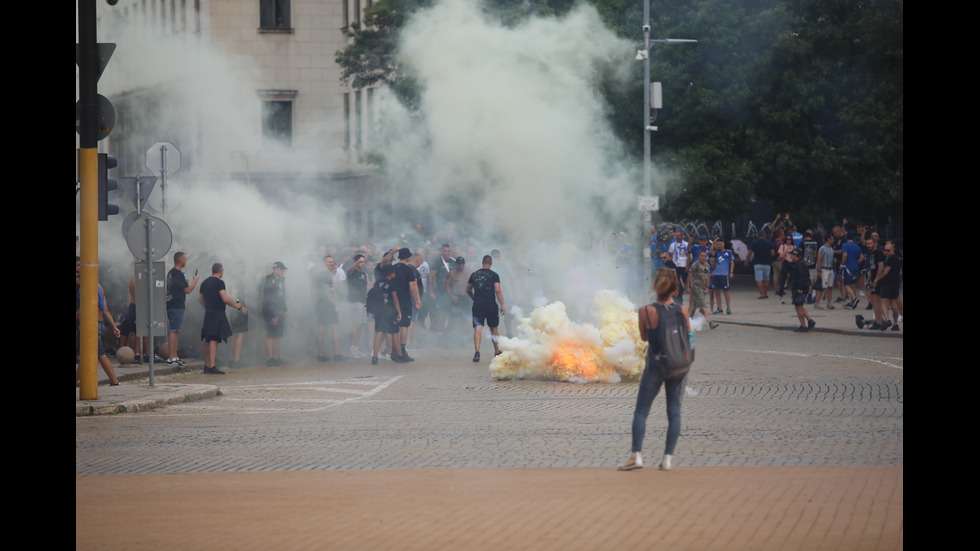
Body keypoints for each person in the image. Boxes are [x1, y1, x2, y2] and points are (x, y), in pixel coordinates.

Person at [618, 268, 691, 472]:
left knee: (641, 410)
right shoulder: (682, 310)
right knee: (674, 412)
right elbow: (689, 337)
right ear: (675, 289)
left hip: (656, 365)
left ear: (655, 287)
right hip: (678, 366)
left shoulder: (645, 311)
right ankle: (667, 459)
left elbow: (643, 337)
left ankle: (636, 456)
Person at [76, 257, 122, 386]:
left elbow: (88, 307)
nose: (78, 269)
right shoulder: (97, 285)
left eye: (80, 265)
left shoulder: (88, 285)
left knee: (100, 354)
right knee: (87, 355)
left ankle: (115, 381)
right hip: (98, 324)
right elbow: (105, 309)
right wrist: (114, 327)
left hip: (92, 325)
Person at [198, 263, 245, 374]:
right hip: (217, 312)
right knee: (214, 338)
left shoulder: (204, 282)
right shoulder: (219, 282)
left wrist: (208, 307)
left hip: (209, 312)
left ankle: (206, 365)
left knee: (207, 338)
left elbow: (200, 299)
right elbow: (224, 298)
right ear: (221, 271)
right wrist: (235, 305)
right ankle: (212, 366)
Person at [467, 255, 506, 362]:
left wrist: (473, 297)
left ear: (482, 262)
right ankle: (497, 352)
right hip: (490, 305)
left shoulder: (474, 274)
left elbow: (468, 289)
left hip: (478, 305)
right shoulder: (494, 275)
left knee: (478, 328)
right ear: (491, 263)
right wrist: (502, 304)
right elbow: (497, 290)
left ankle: (477, 352)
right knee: (494, 328)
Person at [165, 251, 199, 368]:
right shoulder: (177, 273)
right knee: (174, 331)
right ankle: (171, 358)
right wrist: (195, 280)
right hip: (176, 305)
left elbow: (178, 287)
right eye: (185, 259)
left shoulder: (171, 273)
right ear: (181, 261)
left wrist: (184, 283)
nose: (186, 261)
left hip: (172, 304)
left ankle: (175, 356)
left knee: (176, 331)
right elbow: (188, 290)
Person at [315, 255, 347, 362]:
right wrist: (335, 304)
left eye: (333, 261)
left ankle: (321, 354)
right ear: (324, 263)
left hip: (322, 305)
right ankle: (336, 354)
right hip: (327, 305)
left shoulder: (325, 274)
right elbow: (327, 291)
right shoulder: (324, 274)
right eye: (329, 262)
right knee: (333, 328)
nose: (332, 263)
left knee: (322, 329)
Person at [392, 248, 422, 362]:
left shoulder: (393, 268)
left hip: (393, 300)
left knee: (394, 326)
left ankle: (394, 351)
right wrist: (416, 301)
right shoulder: (408, 269)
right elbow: (412, 287)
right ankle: (402, 351)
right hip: (404, 301)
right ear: (408, 257)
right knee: (404, 326)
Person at [370, 264, 401, 365]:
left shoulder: (377, 282)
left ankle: (375, 356)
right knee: (393, 332)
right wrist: (399, 312)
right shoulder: (391, 284)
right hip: (389, 311)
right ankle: (398, 355)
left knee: (379, 332)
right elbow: (395, 298)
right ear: (390, 273)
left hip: (378, 310)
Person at [261, 261, 289, 366]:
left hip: (279, 310)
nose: (283, 271)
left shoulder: (282, 280)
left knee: (278, 334)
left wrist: (285, 309)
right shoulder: (269, 280)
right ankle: (270, 358)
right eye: (281, 269)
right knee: (270, 334)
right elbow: (268, 299)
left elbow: (282, 297)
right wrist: (273, 315)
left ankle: (276, 357)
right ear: (275, 269)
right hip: (270, 311)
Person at [872, 242, 902, 331]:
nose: (885, 252)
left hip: (888, 283)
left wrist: (877, 279)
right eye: (884, 250)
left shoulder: (891, 258)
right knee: (893, 303)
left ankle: (887, 320)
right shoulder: (898, 259)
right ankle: (895, 324)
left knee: (883, 302)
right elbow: (900, 272)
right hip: (895, 284)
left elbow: (886, 272)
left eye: (888, 250)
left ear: (893, 250)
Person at [345, 253, 369, 358]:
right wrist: (356, 263)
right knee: (355, 325)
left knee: (360, 326)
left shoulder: (363, 274)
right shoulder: (352, 272)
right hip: (355, 301)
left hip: (363, 302)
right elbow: (348, 271)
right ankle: (351, 348)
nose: (362, 264)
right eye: (360, 262)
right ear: (356, 262)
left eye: (364, 262)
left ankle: (356, 348)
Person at [226, 261, 249, 368]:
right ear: (237, 268)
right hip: (237, 310)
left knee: (235, 334)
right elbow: (233, 294)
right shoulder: (237, 279)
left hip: (233, 309)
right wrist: (240, 306)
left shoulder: (233, 278)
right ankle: (236, 360)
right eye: (242, 267)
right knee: (240, 334)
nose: (244, 269)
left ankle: (232, 360)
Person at [687, 250, 718, 329]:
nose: (703, 257)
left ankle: (687, 320)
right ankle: (710, 322)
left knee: (694, 305)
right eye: (702, 256)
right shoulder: (695, 265)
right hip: (697, 287)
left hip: (703, 287)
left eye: (705, 256)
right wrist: (688, 287)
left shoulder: (707, 265)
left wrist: (707, 287)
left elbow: (708, 276)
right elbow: (689, 276)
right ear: (699, 256)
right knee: (703, 305)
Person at [787, 248, 816, 332]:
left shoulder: (799, 265)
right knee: (800, 305)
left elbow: (802, 277)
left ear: (795, 255)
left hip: (800, 288)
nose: (791, 256)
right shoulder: (800, 263)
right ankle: (810, 321)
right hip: (802, 287)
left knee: (798, 306)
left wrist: (800, 288)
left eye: (792, 255)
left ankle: (803, 325)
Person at [445, 256, 471, 343]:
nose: (461, 265)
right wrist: (452, 296)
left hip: (465, 298)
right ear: (456, 264)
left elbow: (472, 287)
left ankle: (461, 339)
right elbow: (447, 287)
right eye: (459, 264)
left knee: (464, 320)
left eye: (462, 263)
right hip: (456, 298)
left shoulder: (468, 274)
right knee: (454, 319)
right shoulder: (451, 274)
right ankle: (449, 339)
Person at [745, 231, 774, 299]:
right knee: (766, 279)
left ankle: (762, 294)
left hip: (757, 263)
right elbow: (773, 253)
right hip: (767, 263)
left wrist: (746, 261)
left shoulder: (754, 243)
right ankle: (766, 293)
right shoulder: (768, 243)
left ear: (758, 236)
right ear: (764, 236)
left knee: (759, 279)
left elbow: (749, 253)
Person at [709, 238, 734, 315]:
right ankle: (719, 308)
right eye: (718, 244)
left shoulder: (728, 252)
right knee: (717, 292)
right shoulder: (717, 253)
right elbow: (710, 252)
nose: (719, 246)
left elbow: (732, 262)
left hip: (724, 274)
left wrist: (731, 272)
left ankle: (728, 307)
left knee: (725, 291)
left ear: (723, 244)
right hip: (716, 274)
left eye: (720, 244)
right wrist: (713, 243)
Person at [840, 232, 863, 310]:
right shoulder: (857, 246)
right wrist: (856, 262)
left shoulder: (845, 245)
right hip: (855, 267)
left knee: (846, 284)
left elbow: (845, 255)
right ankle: (852, 303)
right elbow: (861, 257)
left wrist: (842, 264)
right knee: (853, 284)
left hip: (847, 267)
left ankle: (854, 298)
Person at [814, 234, 836, 309]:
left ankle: (829, 303)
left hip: (830, 269)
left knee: (830, 286)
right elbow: (819, 259)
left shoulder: (831, 249)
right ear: (828, 239)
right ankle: (817, 303)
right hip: (824, 269)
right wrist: (819, 270)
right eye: (832, 238)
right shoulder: (822, 248)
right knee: (822, 287)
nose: (833, 240)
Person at [668, 231, 689, 301]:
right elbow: (670, 256)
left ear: (682, 236)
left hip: (683, 265)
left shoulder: (686, 244)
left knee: (682, 282)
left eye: (678, 236)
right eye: (676, 236)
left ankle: (681, 296)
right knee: (676, 282)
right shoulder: (672, 245)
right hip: (675, 266)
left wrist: (687, 266)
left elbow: (688, 256)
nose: (677, 237)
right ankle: (676, 297)